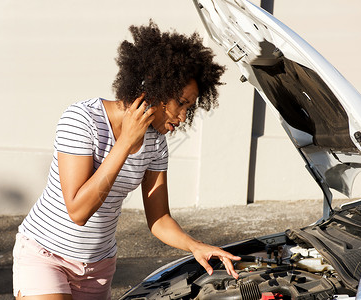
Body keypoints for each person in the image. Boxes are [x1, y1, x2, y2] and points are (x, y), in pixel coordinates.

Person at [12, 20, 240, 300]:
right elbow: (78, 210)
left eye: (189, 107)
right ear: (157, 87)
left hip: (98, 268)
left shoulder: (156, 142)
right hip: (46, 256)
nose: (183, 118)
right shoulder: (82, 120)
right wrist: (124, 144)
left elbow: (159, 218)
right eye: (180, 102)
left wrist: (195, 246)